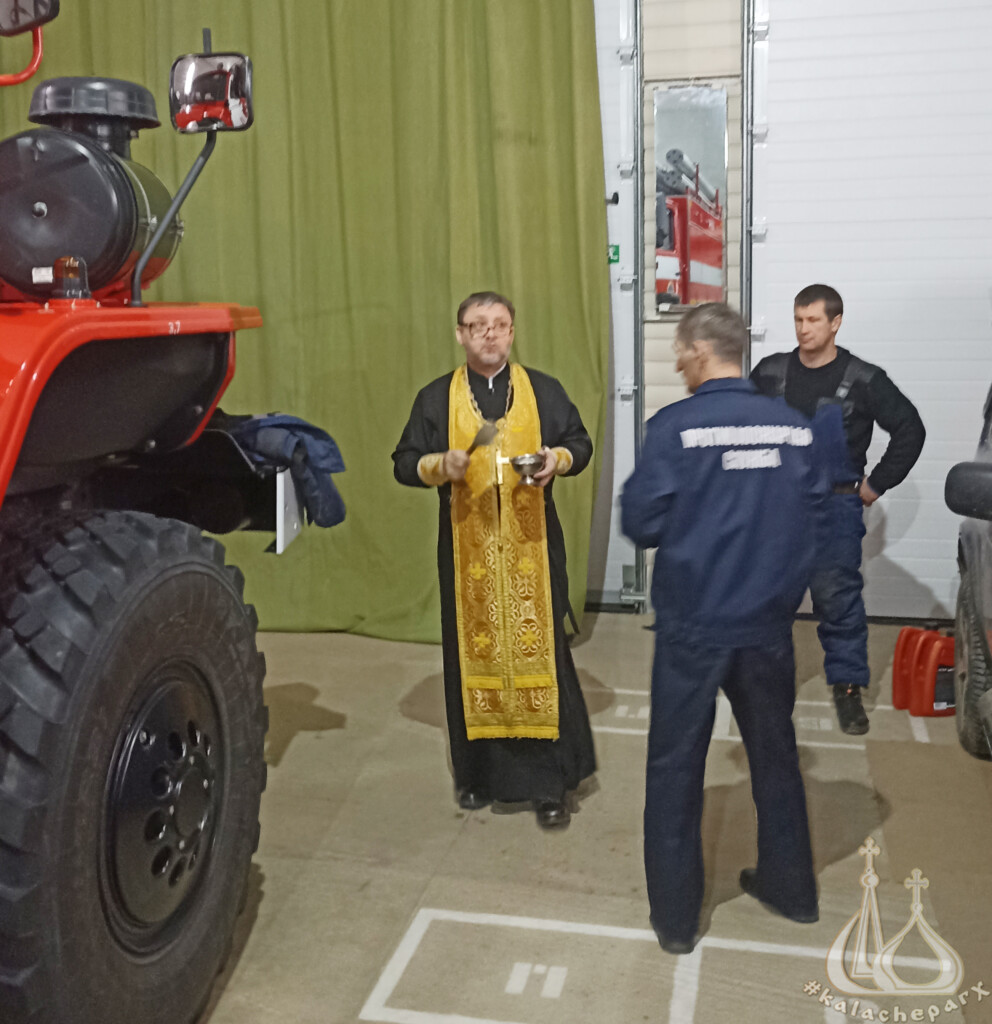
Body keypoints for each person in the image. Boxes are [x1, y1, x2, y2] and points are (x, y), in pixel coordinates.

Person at [621, 302, 827, 954]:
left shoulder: (673, 428)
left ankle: (676, 921)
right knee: (776, 756)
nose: (679, 363)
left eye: (681, 353)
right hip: (766, 624)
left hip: (693, 625)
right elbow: (818, 519)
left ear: (700, 351)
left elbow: (642, 523)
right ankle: (792, 892)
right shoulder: (795, 429)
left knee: (675, 768)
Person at [392, 291, 596, 829]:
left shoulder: (542, 390)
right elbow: (404, 462)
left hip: (534, 550)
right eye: (477, 325)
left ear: (512, 332)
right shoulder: (436, 398)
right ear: (460, 334)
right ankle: (477, 778)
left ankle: (549, 786)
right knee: (471, 659)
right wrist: (439, 466)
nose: (490, 333)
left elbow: (580, 443)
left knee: (542, 660)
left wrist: (557, 459)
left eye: (500, 324)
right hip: (468, 557)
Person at [750, 284, 925, 735]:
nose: (803, 329)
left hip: (836, 509)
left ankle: (847, 689)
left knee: (838, 602)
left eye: (813, 320)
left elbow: (910, 428)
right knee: (770, 601)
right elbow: (741, 426)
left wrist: (875, 484)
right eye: (798, 319)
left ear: (835, 322)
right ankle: (767, 688)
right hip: (778, 509)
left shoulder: (864, 379)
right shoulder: (769, 373)